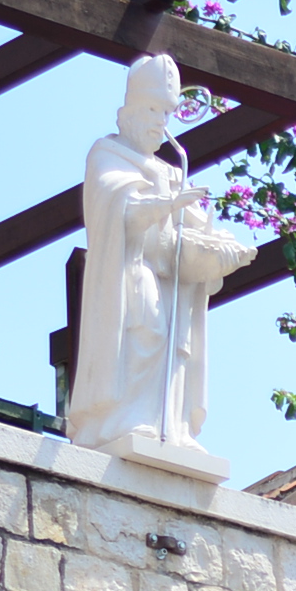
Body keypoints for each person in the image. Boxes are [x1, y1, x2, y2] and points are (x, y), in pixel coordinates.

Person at [66, 54, 255, 450]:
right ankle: (125, 418)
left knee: (175, 342)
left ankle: (171, 424)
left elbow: (195, 222)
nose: (160, 122)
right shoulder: (108, 154)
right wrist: (165, 204)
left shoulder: (171, 171)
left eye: (166, 113)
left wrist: (224, 243)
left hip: (170, 274)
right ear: (130, 111)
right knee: (146, 331)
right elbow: (119, 211)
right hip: (131, 267)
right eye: (152, 110)